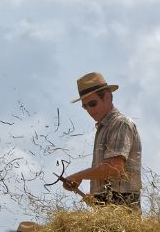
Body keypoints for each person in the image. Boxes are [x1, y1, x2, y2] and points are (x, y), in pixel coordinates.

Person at [61, 72, 143, 209]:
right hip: (110, 207)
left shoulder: (120, 123)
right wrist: (96, 198)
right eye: (85, 106)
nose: (89, 110)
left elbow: (115, 167)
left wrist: (78, 176)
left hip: (123, 205)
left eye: (92, 104)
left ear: (107, 97)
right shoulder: (103, 128)